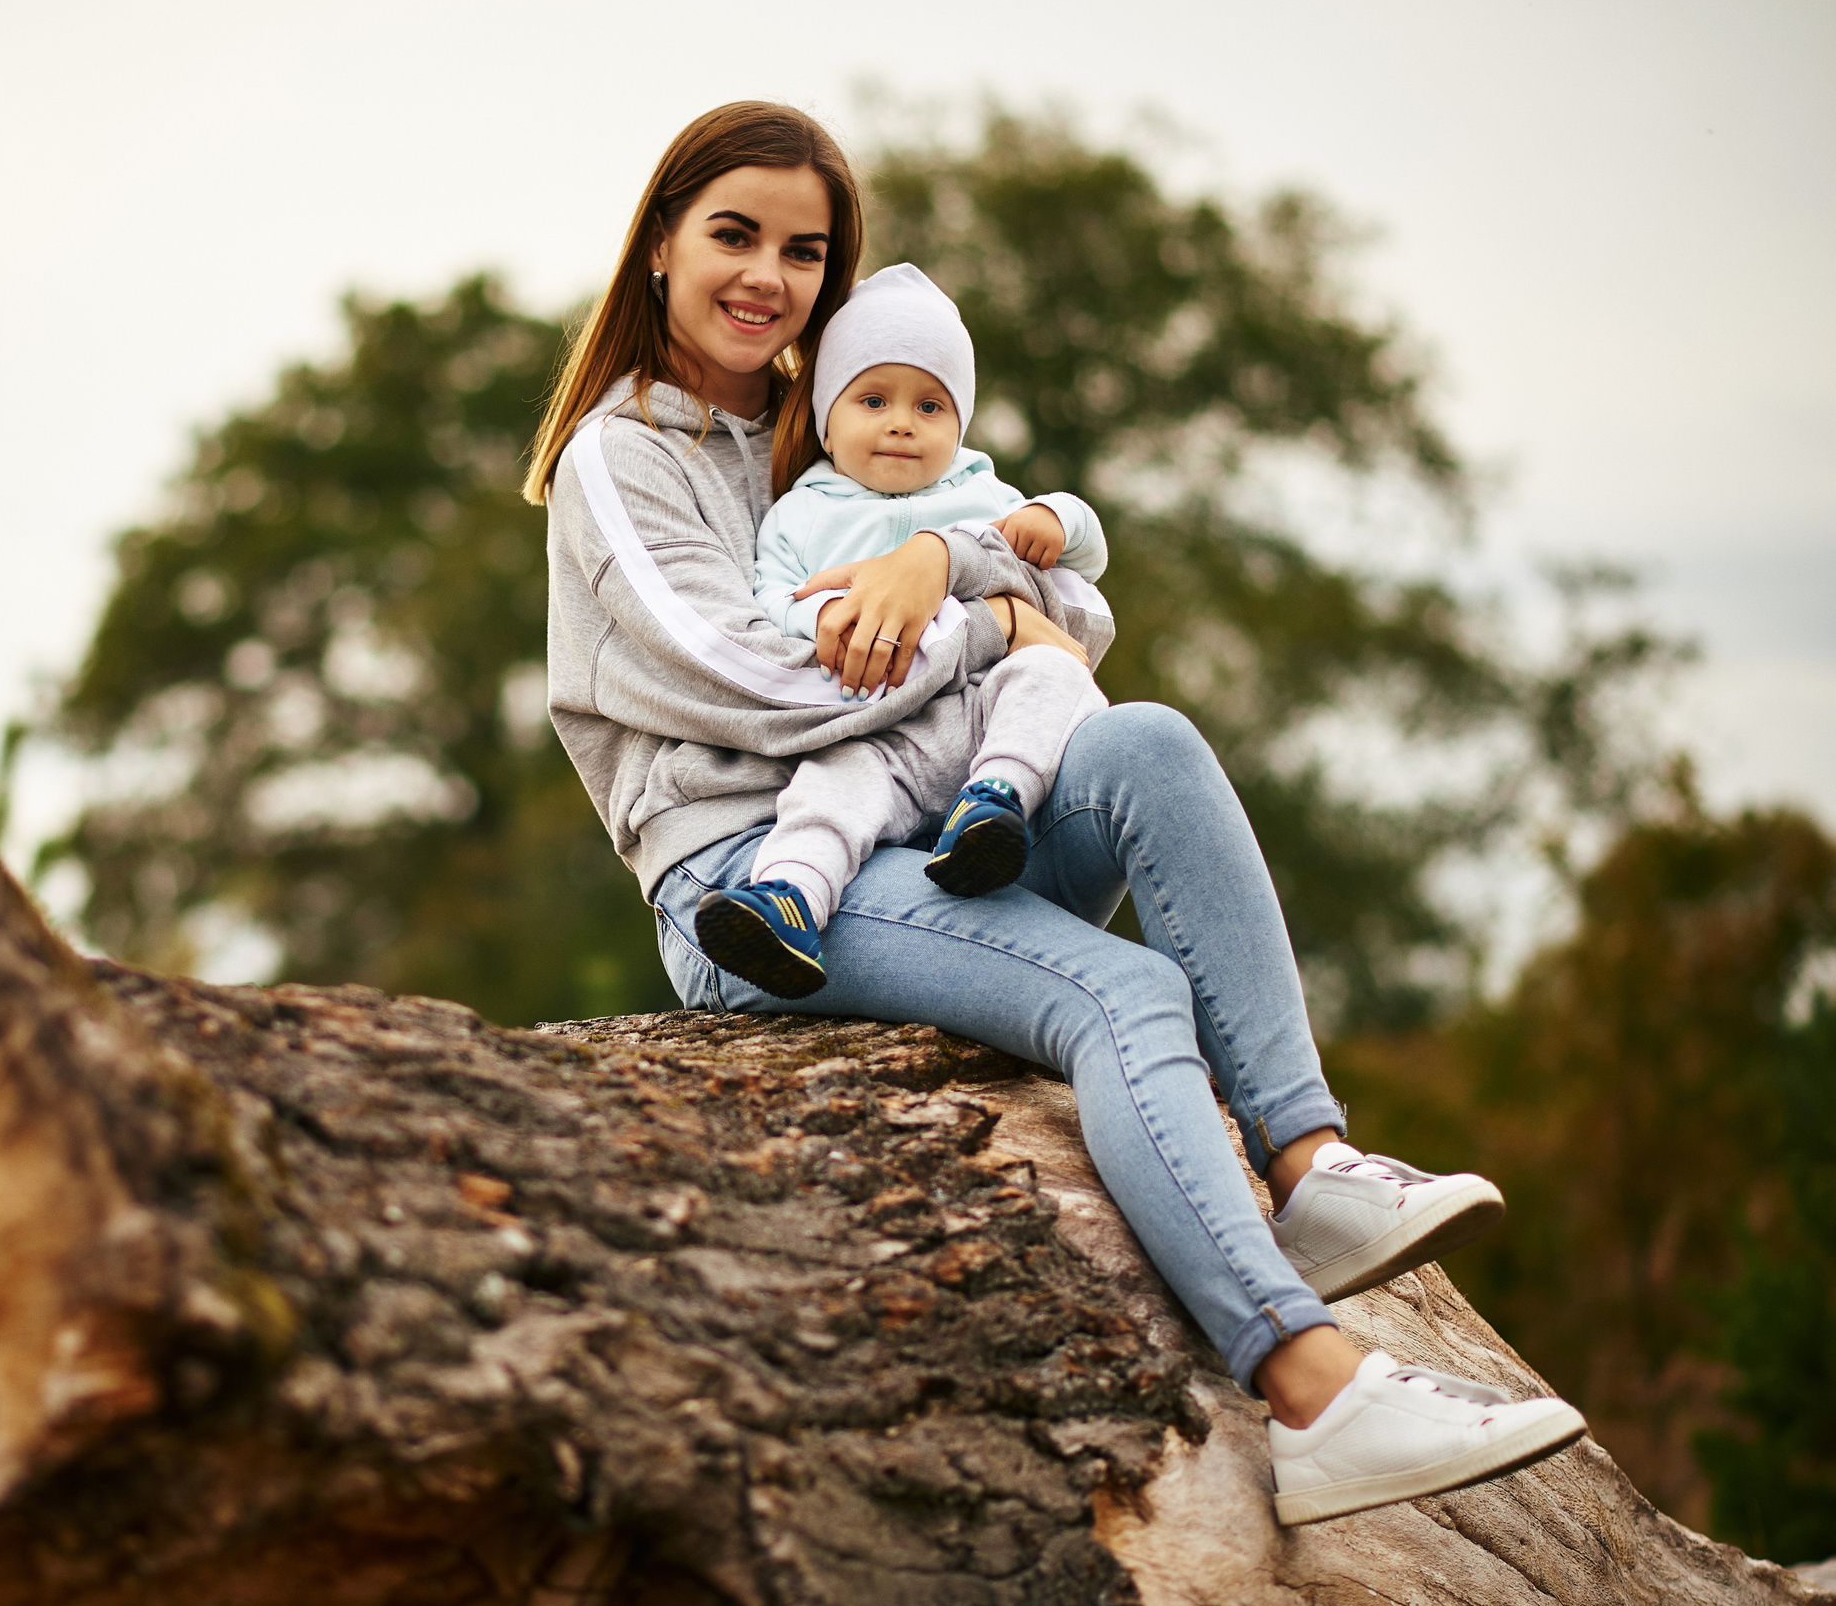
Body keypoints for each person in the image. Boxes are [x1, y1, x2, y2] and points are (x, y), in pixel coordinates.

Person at [521, 99, 1587, 1525]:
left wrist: (949, 563)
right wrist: (980, 621)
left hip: (946, 821)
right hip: (761, 883)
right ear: (660, 243)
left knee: (1146, 737)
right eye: (734, 234)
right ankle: (1315, 1388)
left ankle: (1310, 1158)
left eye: (805, 250)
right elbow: (752, 683)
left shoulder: (843, 416)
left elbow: (1074, 619)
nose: (767, 275)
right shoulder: (621, 458)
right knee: (1123, 990)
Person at [694, 260, 1116, 1000]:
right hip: (883, 731)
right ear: (827, 419)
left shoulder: (985, 493)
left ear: (959, 426)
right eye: (874, 400)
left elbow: (1086, 559)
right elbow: (775, 600)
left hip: (984, 714)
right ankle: (788, 898)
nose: (901, 422)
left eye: (930, 406)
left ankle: (995, 805)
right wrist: (828, 616)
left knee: (1054, 674)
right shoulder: (801, 513)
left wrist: (1055, 517)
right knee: (830, 786)